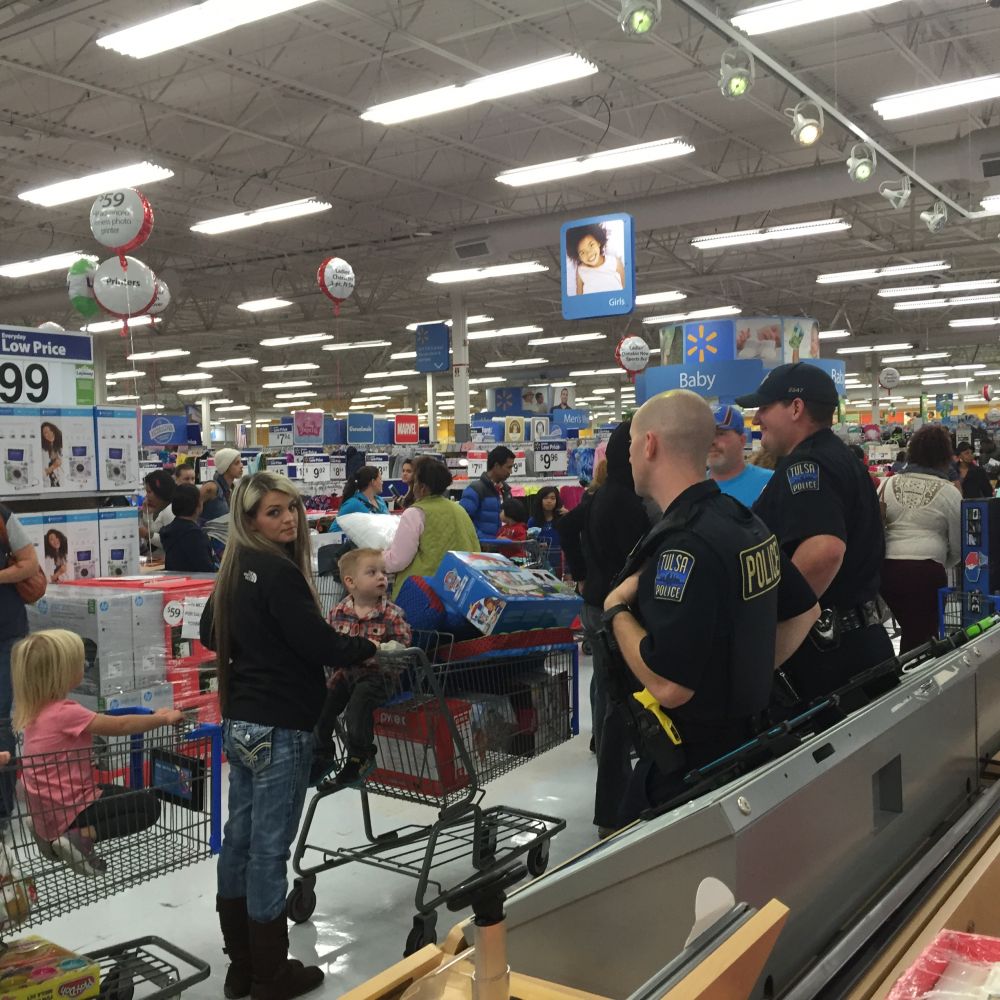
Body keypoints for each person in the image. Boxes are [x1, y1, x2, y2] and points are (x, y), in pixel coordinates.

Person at [602, 391, 819, 822]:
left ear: (649, 445)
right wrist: (742, 678)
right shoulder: (743, 520)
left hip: (691, 771)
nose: (628, 457)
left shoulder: (683, 546)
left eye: (630, 445)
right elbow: (805, 611)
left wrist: (616, 610)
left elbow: (670, 686)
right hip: (748, 746)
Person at [200, 472, 376, 1000]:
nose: (288, 519)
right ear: (250, 519)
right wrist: (368, 648)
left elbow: (210, 632)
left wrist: (258, 649)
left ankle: (242, 967)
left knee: (240, 841)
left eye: (292, 508)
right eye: (273, 512)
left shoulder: (234, 566)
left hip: (241, 722)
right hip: (282, 726)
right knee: (269, 851)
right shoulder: (279, 571)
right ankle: (272, 975)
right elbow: (318, 643)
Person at [737, 363, 894, 702]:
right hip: (856, 642)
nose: (757, 419)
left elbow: (824, 551)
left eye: (764, 407)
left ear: (796, 408)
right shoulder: (837, 458)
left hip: (827, 656)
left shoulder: (806, 466)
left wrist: (772, 628)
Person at [12, 629, 181, 877]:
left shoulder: (33, 711)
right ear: (62, 673)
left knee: (114, 791)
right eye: (79, 662)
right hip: (72, 806)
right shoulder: (65, 712)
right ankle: (80, 837)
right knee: (148, 806)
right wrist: (162, 719)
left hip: (48, 806)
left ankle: (48, 833)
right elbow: (120, 726)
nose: (85, 665)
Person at [557, 419, 651, 836]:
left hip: (596, 601)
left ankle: (604, 747)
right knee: (622, 697)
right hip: (619, 608)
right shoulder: (630, 503)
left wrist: (581, 572)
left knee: (607, 684)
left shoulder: (600, 495)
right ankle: (618, 803)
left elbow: (565, 526)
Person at [312, 549, 412, 787]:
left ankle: (361, 756)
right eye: (372, 572)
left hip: (378, 678)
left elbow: (404, 644)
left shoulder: (391, 614)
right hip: (344, 675)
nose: (381, 577)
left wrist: (389, 650)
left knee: (357, 706)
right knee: (321, 704)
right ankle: (322, 754)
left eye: (383, 572)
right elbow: (328, 641)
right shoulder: (338, 612)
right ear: (350, 582)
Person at [880, 426, 961, 652]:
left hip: (886, 572)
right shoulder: (949, 492)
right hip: (926, 572)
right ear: (945, 456)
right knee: (924, 641)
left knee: (909, 633)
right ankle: (913, 675)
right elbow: (959, 544)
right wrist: (941, 562)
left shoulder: (888, 483)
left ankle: (900, 671)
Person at [383, 457, 480, 598]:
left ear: (422, 487)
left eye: (415, 481)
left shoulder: (415, 513)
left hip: (422, 593)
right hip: (459, 592)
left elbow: (398, 560)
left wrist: (377, 558)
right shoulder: (459, 510)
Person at [0, 503, 41, 825]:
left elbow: (29, 565)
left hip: (5, 630)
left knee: (0, 719)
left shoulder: (2, 516)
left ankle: (2, 808)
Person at [707, 405, 772, 506]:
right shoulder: (690, 486)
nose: (712, 441)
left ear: (742, 440)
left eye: (720, 433)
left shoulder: (770, 483)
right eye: (706, 434)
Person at [460, 446, 514, 540]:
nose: (511, 472)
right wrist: (485, 540)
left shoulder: (506, 491)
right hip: (481, 547)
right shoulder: (475, 489)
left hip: (504, 547)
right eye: (508, 467)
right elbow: (463, 520)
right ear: (496, 466)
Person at [160, 484, 217, 573]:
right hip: (197, 580)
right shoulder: (196, 535)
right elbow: (207, 569)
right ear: (198, 505)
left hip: (174, 580)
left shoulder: (168, 532)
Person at [565, 222, 625, 296]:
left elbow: (626, 290)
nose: (589, 254)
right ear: (578, 256)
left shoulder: (615, 262)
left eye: (591, 245)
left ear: (598, 242)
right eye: (582, 252)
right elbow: (579, 297)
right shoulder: (581, 270)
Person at [139, 469, 175, 562]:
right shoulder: (159, 510)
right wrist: (147, 514)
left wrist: (147, 534)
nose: (146, 496)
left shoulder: (170, 511)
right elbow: (153, 530)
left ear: (159, 492)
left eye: (149, 492)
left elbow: (171, 542)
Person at [528, 486, 564, 575]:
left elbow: (569, 547)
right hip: (538, 568)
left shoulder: (563, 520)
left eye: (553, 498)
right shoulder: (533, 521)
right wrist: (537, 546)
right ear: (540, 500)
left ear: (557, 501)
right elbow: (528, 545)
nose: (549, 501)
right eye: (545, 498)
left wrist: (568, 572)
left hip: (559, 567)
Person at [212, 448, 244, 513]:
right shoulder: (213, 488)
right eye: (237, 463)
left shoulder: (233, 488)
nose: (241, 465)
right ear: (226, 466)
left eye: (240, 462)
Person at [40, 421, 62, 488]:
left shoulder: (62, 446)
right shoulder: (43, 451)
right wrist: (52, 467)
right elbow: (40, 476)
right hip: (50, 487)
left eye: (51, 430)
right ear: (43, 436)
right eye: (46, 433)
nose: (50, 434)